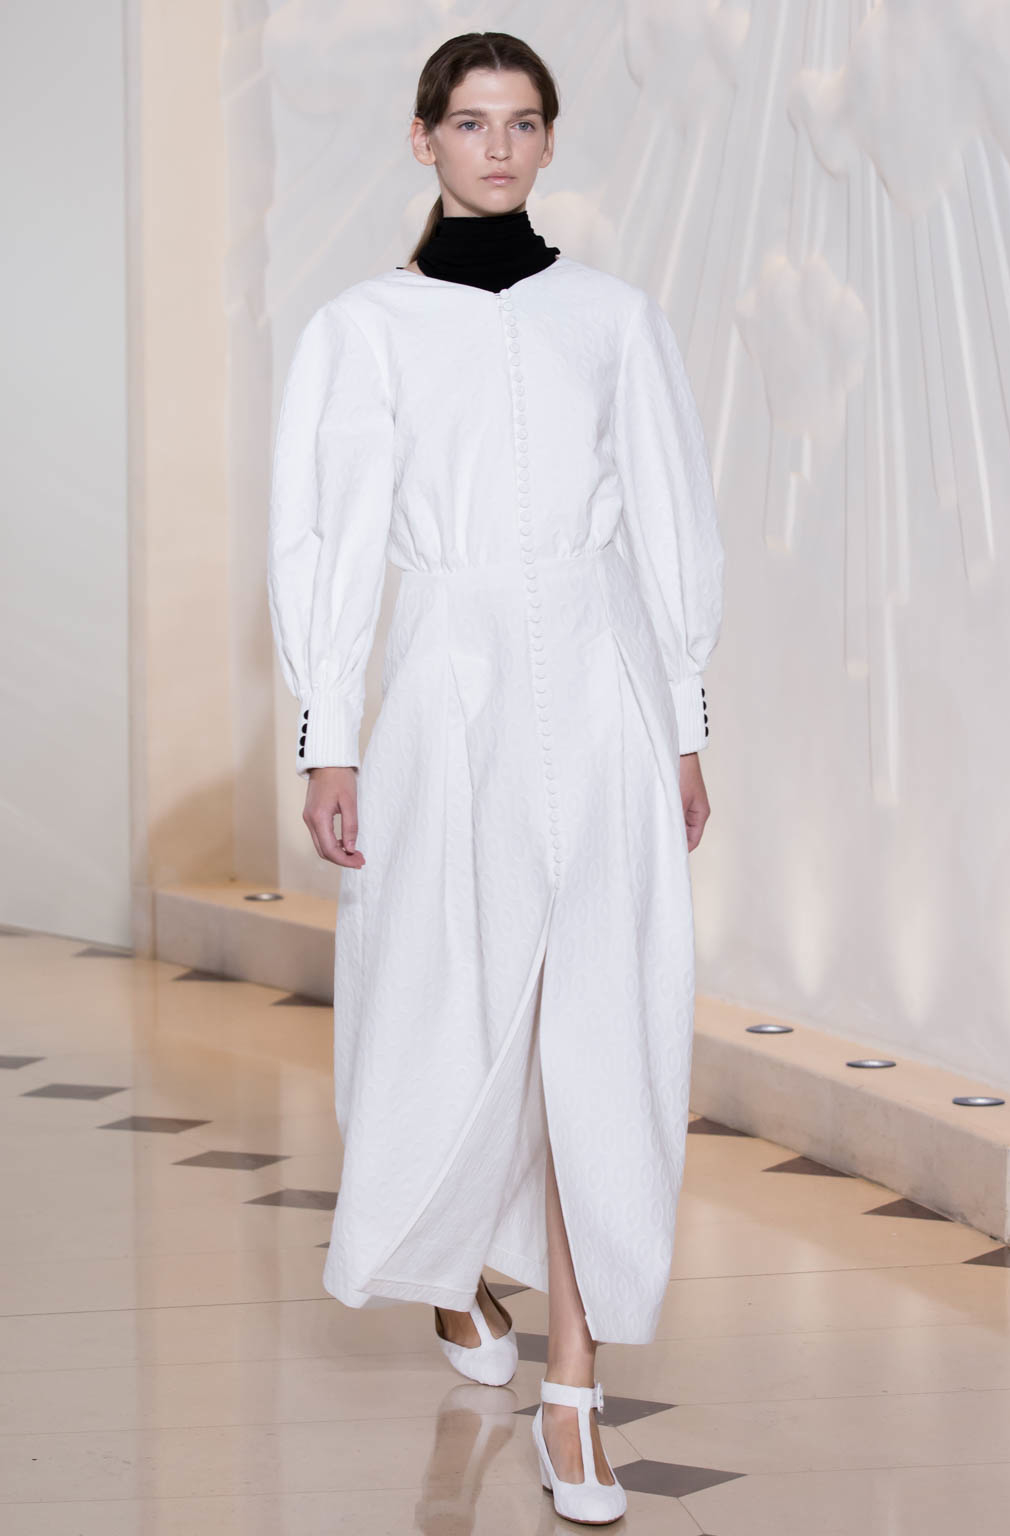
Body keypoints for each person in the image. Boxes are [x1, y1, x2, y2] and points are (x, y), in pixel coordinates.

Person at [267, 30, 725, 1527]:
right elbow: (329, 541)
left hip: (599, 692)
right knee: (440, 1005)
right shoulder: (364, 331)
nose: (501, 148)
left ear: (548, 140)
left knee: (604, 1020)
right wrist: (328, 734)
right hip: (445, 697)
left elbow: (671, 521)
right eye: (472, 124)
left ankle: (575, 1392)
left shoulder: (614, 320)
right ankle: (452, 1260)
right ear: (425, 141)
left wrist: (685, 723)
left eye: (524, 123)